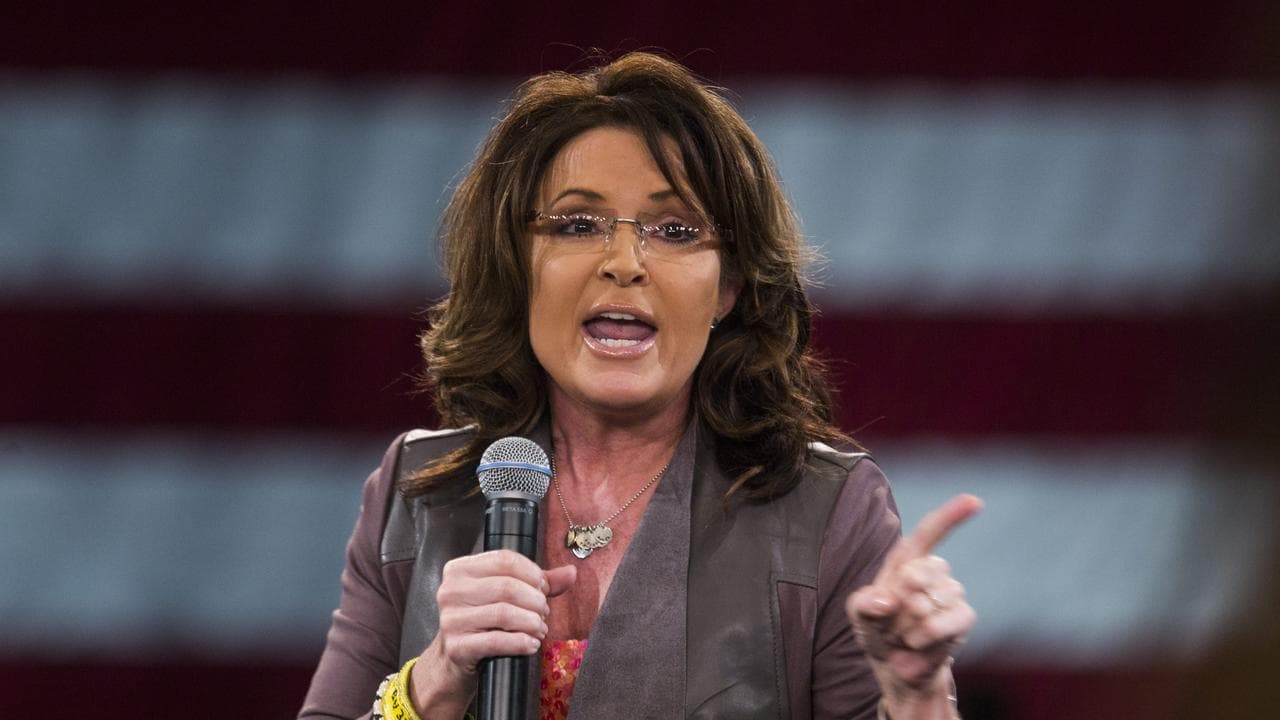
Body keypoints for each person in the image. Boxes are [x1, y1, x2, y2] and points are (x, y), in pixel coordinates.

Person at [299, 51, 979, 720]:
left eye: (676, 230)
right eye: (576, 225)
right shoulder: (415, 492)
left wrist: (915, 698)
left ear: (729, 289)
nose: (623, 263)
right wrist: (432, 687)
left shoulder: (827, 510)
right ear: (516, 267)